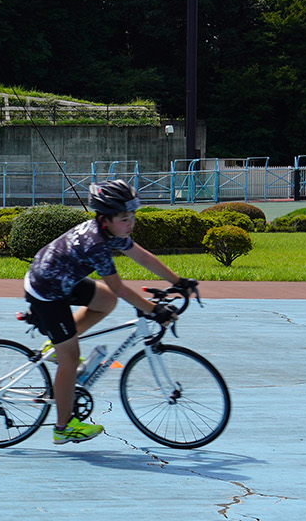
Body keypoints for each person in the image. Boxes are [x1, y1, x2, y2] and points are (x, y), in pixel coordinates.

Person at [23, 179, 196, 445]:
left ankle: (55, 344)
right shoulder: (97, 244)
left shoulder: (111, 232)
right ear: (106, 220)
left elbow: (143, 257)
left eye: (133, 216)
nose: (131, 223)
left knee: (104, 301)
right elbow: (121, 289)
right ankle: (63, 427)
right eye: (125, 218)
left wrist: (178, 282)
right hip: (46, 291)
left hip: (61, 277)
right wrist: (153, 310)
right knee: (71, 357)